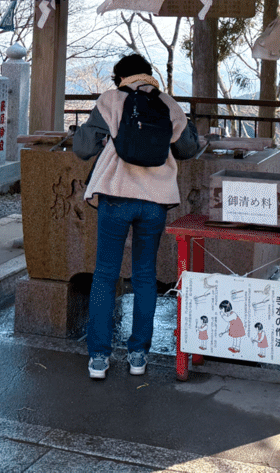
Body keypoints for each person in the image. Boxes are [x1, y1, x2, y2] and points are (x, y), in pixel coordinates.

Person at [73, 53, 199, 379]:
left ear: (119, 77)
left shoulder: (111, 100)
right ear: (148, 74)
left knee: (105, 275)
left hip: (116, 198)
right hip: (155, 203)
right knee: (145, 275)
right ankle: (138, 355)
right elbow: (187, 148)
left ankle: (99, 358)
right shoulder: (168, 103)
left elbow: (84, 147)